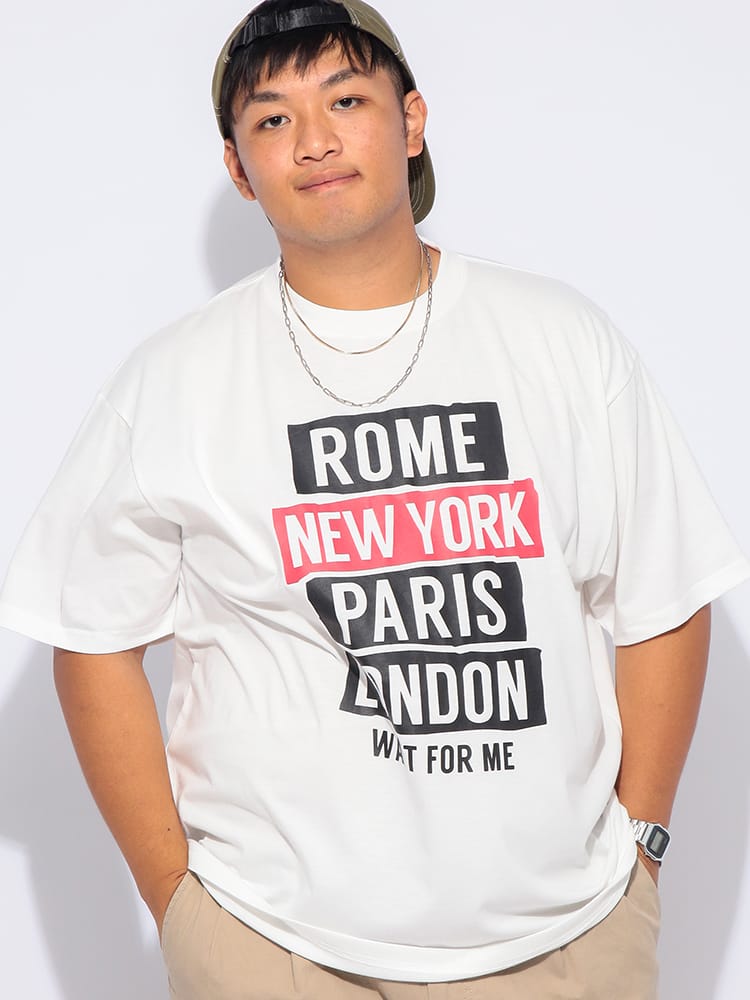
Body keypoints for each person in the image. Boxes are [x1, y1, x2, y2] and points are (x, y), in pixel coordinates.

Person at [0, 1, 747, 997]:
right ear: (238, 167)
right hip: (275, 947)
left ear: (411, 121)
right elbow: (89, 636)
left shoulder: (562, 342)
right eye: (271, 119)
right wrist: (179, 901)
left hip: (563, 944)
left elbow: (666, 595)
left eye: (345, 100)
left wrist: (641, 850)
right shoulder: (176, 380)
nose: (313, 140)